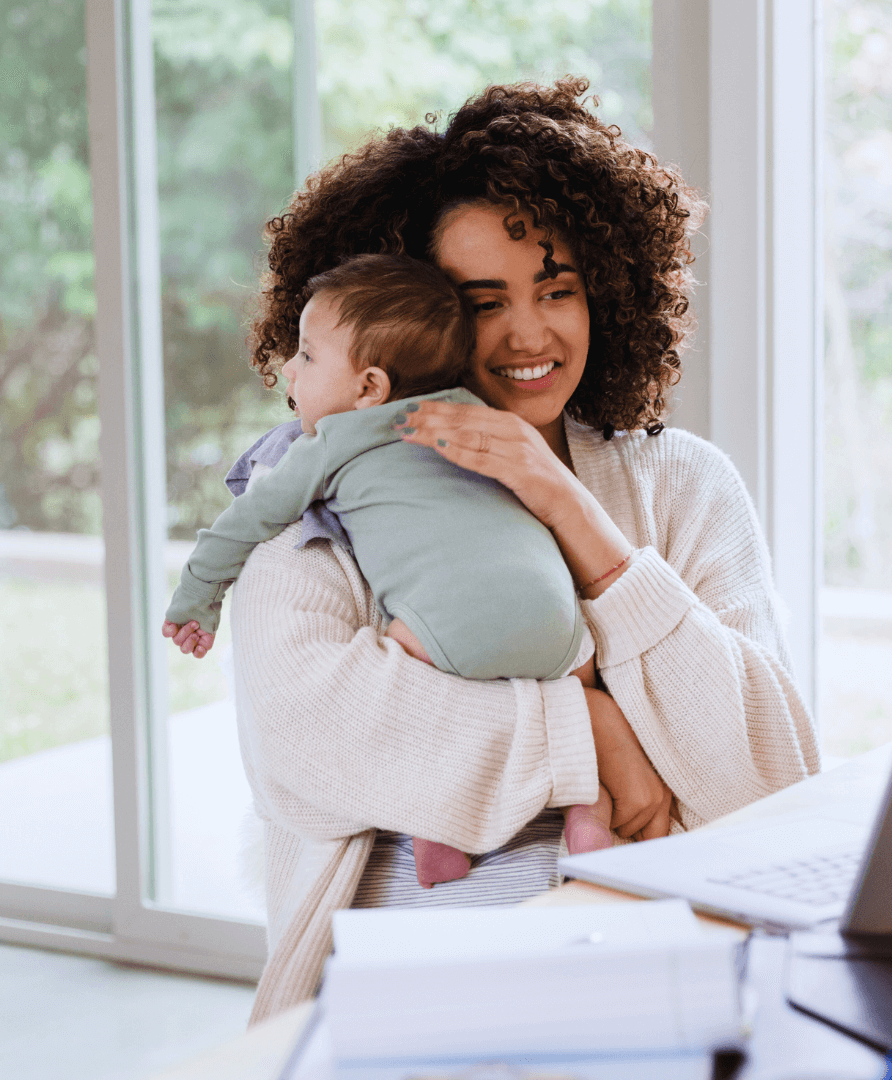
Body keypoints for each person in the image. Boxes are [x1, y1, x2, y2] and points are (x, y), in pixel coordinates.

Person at [221, 79, 819, 1025]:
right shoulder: (316, 484)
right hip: (408, 978)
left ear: (607, 293)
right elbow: (306, 741)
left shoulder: (687, 484)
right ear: (408, 316)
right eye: (482, 300)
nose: (530, 334)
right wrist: (601, 736)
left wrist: (582, 522)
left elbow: (773, 777)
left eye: (558, 289)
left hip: (657, 957)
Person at [161, 254, 616, 888]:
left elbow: (249, 519)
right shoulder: (483, 418)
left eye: (307, 356)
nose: (289, 370)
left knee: (409, 702)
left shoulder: (331, 443)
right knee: (595, 701)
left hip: (446, 626)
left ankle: (437, 832)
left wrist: (196, 596)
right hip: (557, 621)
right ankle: (593, 820)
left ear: (370, 388)